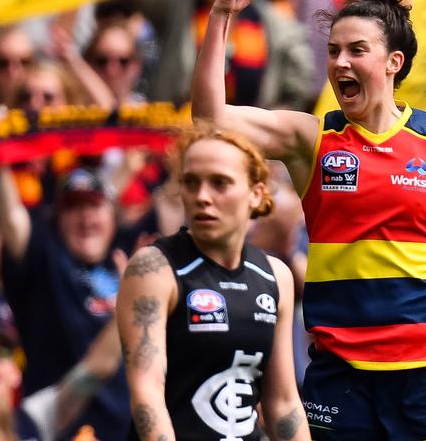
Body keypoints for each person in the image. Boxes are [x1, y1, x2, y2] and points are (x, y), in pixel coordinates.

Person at [191, 0, 426, 440]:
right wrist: (220, 16)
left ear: (393, 62)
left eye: (356, 50)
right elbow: (210, 117)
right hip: (340, 375)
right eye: (333, 51)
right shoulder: (311, 138)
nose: (340, 62)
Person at [116, 124, 311, 441]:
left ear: (256, 193)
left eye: (220, 183)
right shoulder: (154, 268)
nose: (202, 197)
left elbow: (282, 403)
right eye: (191, 183)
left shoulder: (275, 276)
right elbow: (147, 394)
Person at [0, 165, 131, 440]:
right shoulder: (44, 263)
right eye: (73, 208)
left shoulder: (126, 266)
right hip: (59, 430)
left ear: (113, 216)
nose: (85, 216)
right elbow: (11, 218)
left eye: (94, 205)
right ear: (57, 220)